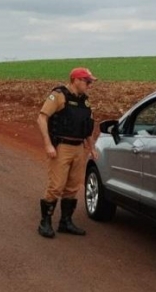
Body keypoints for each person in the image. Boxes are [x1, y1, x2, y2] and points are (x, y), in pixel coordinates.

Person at [36, 67, 99, 238]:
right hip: (61, 147)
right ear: (76, 80)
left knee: (72, 187)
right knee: (56, 186)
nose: (89, 85)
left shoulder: (85, 101)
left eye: (90, 82)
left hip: (79, 147)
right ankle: (45, 222)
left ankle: (66, 222)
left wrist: (91, 147)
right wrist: (48, 144)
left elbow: (86, 127)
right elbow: (42, 118)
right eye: (87, 81)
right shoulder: (58, 96)